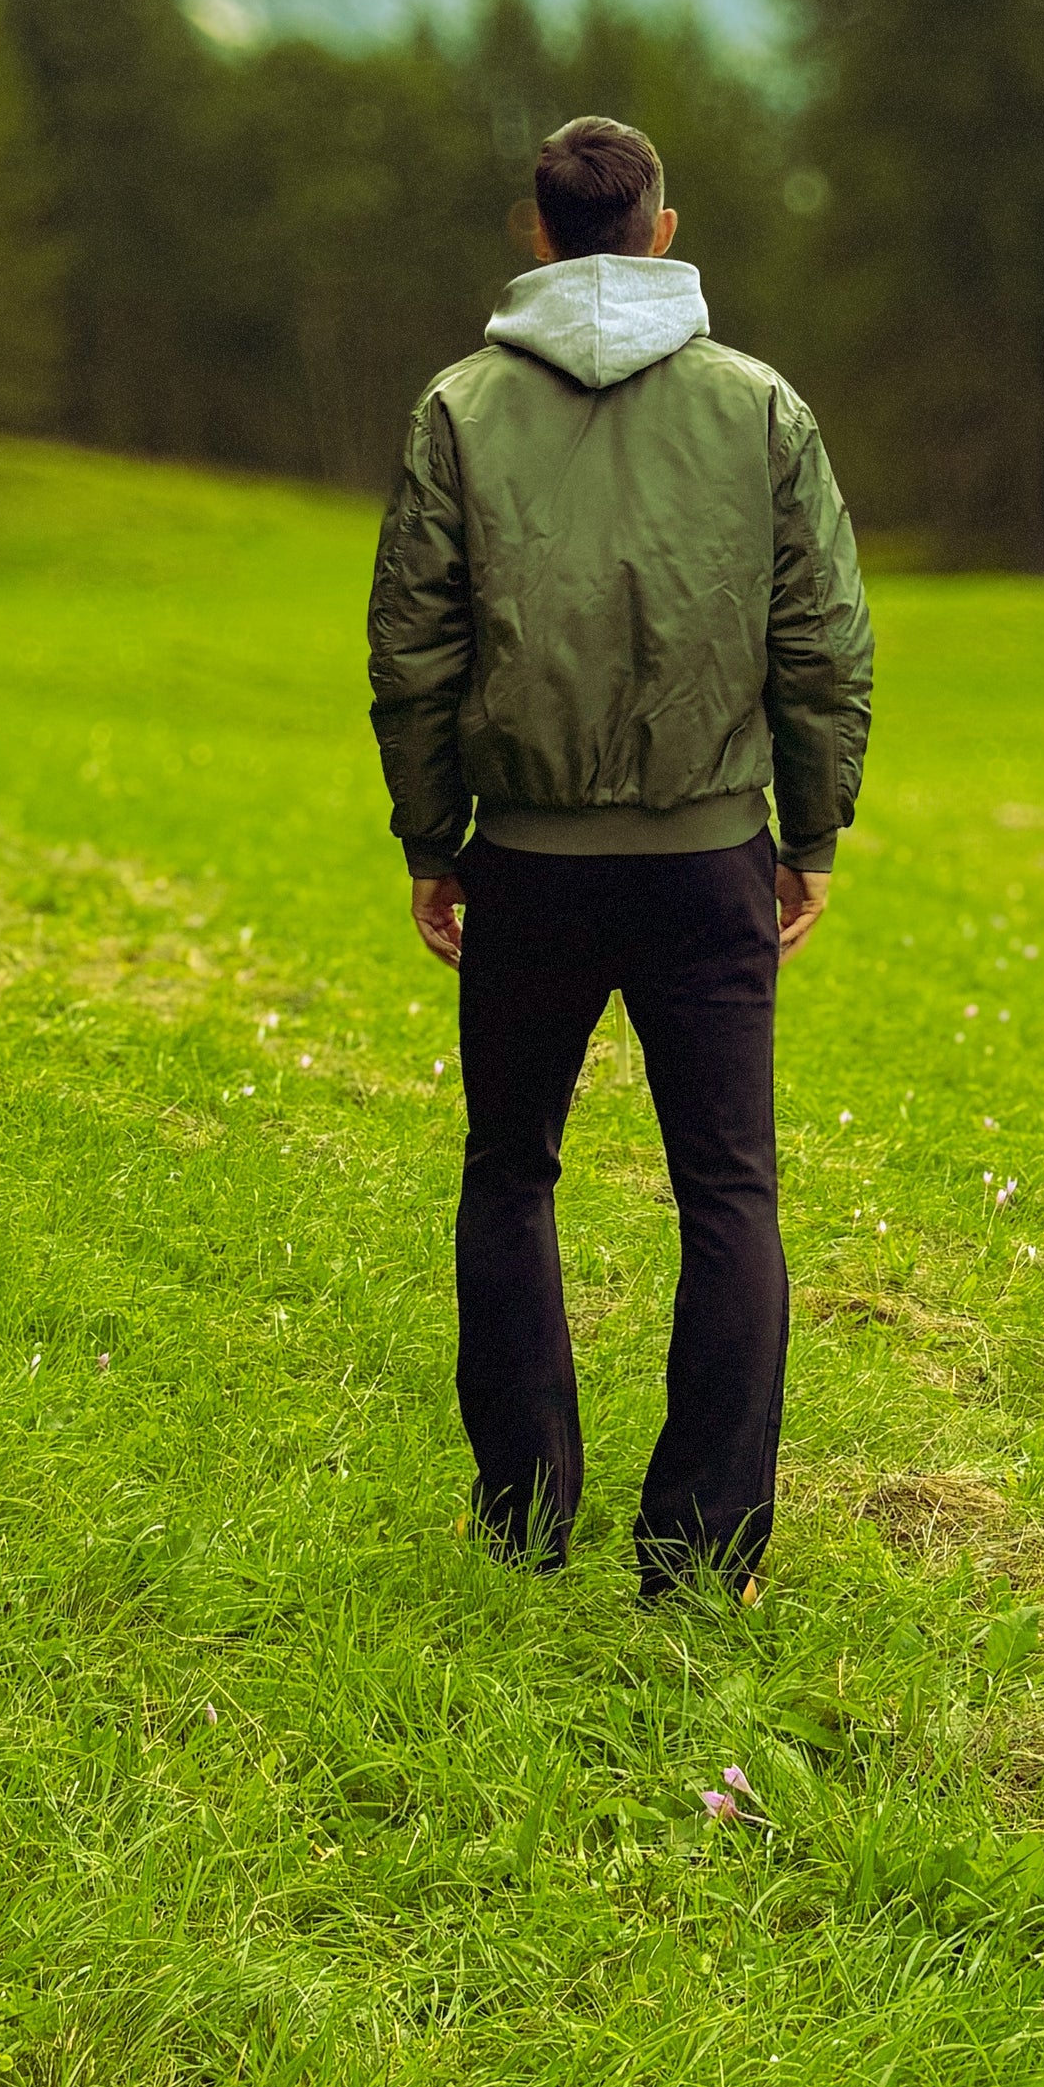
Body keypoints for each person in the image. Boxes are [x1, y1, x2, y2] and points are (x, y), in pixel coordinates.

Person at [367, 111, 873, 1603]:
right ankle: (703, 1552)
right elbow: (822, 640)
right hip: (711, 856)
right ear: (661, 229)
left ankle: (523, 1519)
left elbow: (414, 648)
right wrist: (815, 829)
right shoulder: (762, 410)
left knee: (509, 1174)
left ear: (538, 235)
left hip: (524, 862)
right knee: (730, 1193)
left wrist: (431, 836)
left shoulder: (456, 409)